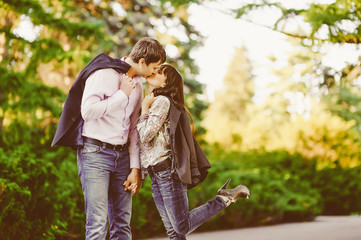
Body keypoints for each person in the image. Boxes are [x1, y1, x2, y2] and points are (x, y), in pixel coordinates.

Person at [51, 37, 166, 240]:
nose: (154, 73)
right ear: (141, 62)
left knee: (122, 225)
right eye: (154, 67)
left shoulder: (138, 86)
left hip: (122, 157)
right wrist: (122, 95)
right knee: (97, 224)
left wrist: (135, 168)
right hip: (94, 154)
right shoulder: (104, 73)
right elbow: (87, 111)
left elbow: (132, 128)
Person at [137, 64, 250, 240]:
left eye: (159, 72)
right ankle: (223, 198)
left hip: (167, 173)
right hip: (156, 173)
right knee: (174, 232)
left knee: (180, 227)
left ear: (166, 84)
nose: (153, 72)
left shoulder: (161, 102)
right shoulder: (155, 102)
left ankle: (222, 199)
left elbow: (145, 136)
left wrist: (144, 108)